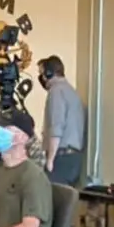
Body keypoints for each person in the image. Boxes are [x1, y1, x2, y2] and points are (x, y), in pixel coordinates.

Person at [38, 56, 86, 186]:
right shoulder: (70, 91)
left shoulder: (56, 91)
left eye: (42, 73)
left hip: (61, 157)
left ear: (49, 73)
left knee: (52, 195)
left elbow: (57, 127)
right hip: (73, 158)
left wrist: (50, 160)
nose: (41, 78)